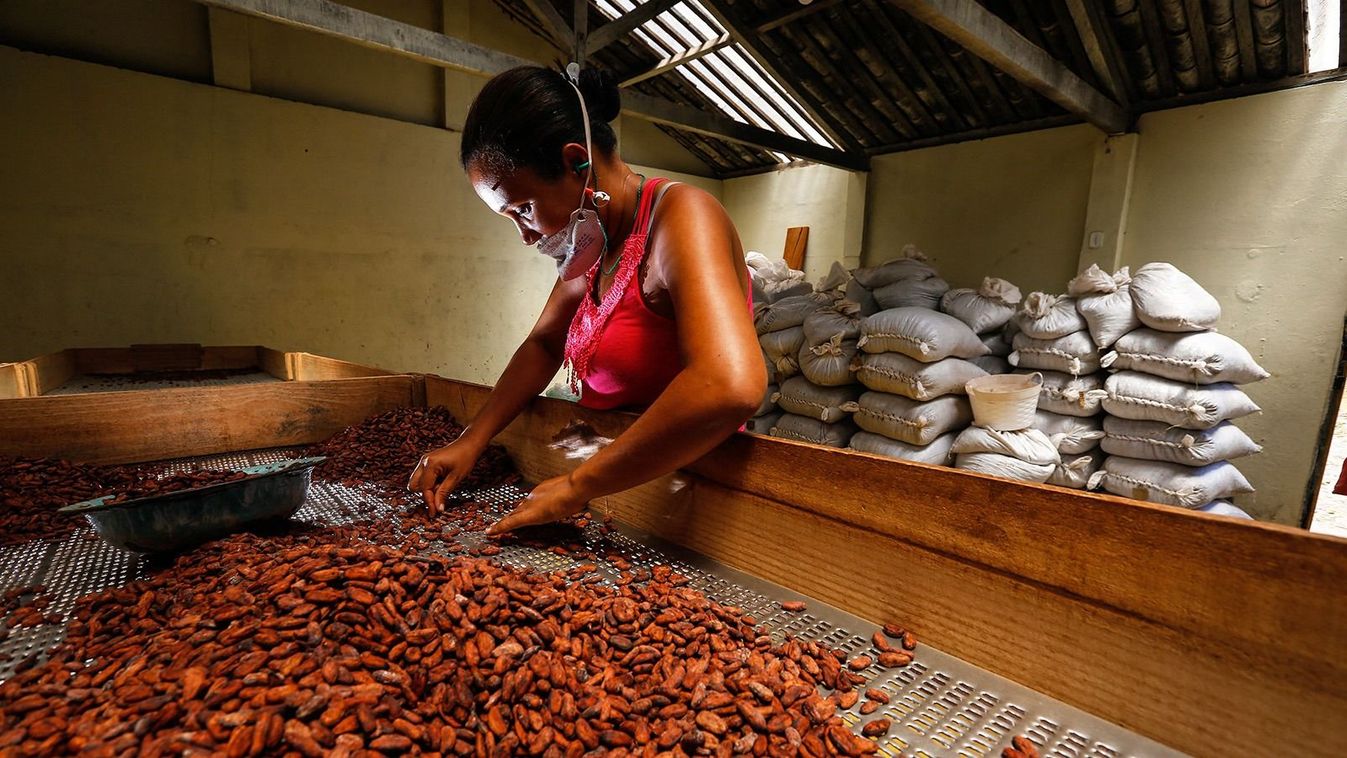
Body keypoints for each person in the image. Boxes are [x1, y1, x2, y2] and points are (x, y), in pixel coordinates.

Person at [407, 64, 766, 535]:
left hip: (687, 493)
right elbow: (543, 344)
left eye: (524, 210)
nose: (524, 234)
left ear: (577, 161)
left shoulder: (682, 217)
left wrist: (578, 485)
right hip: (611, 487)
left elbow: (729, 384)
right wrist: (471, 439)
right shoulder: (593, 241)